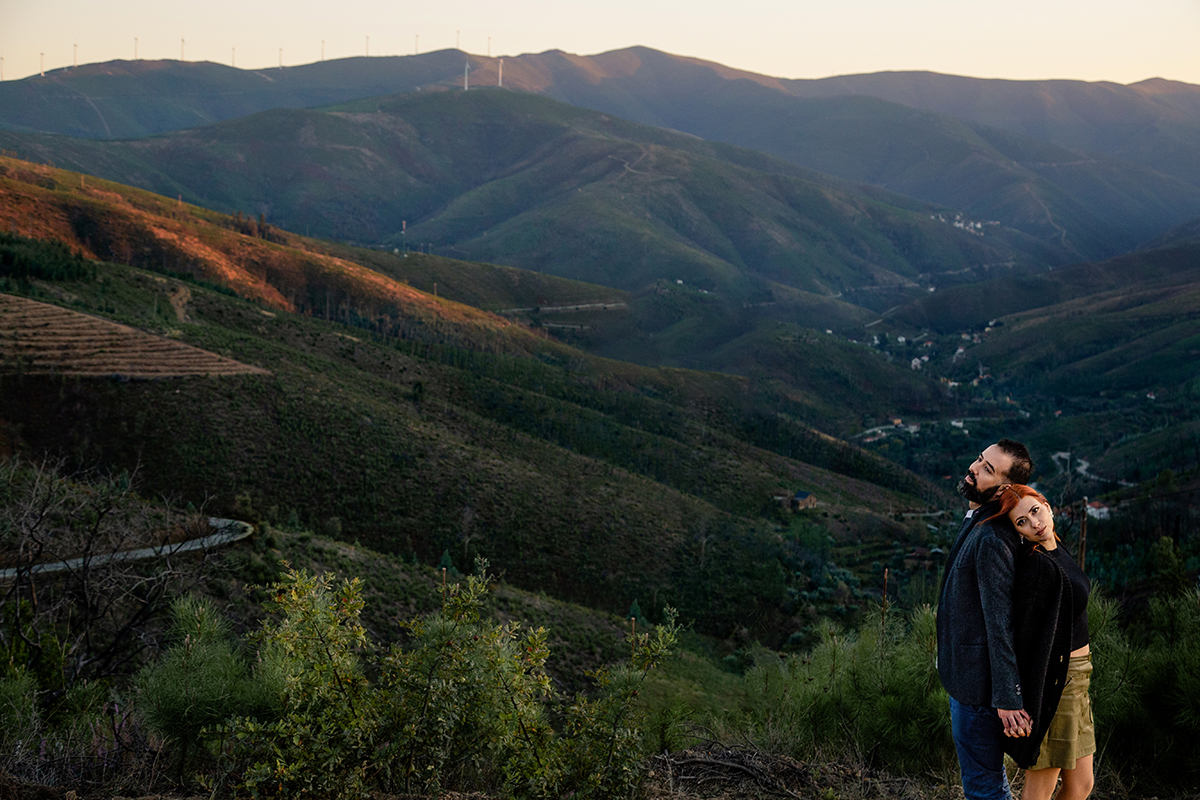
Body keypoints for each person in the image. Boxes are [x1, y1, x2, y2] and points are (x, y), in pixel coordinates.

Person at [937, 439, 1034, 799]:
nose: (974, 468)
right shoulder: (979, 517)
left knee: (984, 789)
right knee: (985, 784)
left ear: (1004, 489)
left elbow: (999, 621)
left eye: (988, 469)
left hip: (977, 689)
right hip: (966, 680)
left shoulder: (993, 536)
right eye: (980, 459)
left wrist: (1008, 697)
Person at [990, 484, 1095, 800]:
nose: (1034, 523)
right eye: (1021, 522)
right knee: (1040, 790)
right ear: (1017, 531)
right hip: (1057, 685)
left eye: (1035, 511)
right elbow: (1019, 636)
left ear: (1047, 506)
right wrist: (1015, 699)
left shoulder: (1056, 548)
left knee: (1081, 785)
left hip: (1078, 679)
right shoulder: (1037, 565)